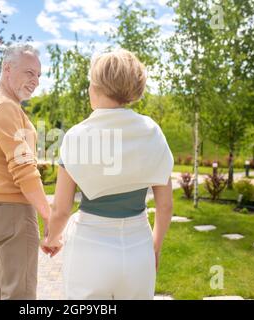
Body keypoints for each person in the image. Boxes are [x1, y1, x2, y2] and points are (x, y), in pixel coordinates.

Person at [42, 49, 174, 300]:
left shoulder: (78, 136)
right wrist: (154, 248)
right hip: (138, 246)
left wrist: (52, 238)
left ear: (96, 87)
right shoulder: (152, 132)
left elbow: (61, 208)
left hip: (89, 248)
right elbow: (165, 206)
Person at [0, 44, 51, 300]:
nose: (35, 81)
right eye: (29, 72)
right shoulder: (5, 107)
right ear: (7, 69)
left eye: (38, 75)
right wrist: (49, 216)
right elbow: (25, 170)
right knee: (19, 296)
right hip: (12, 213)